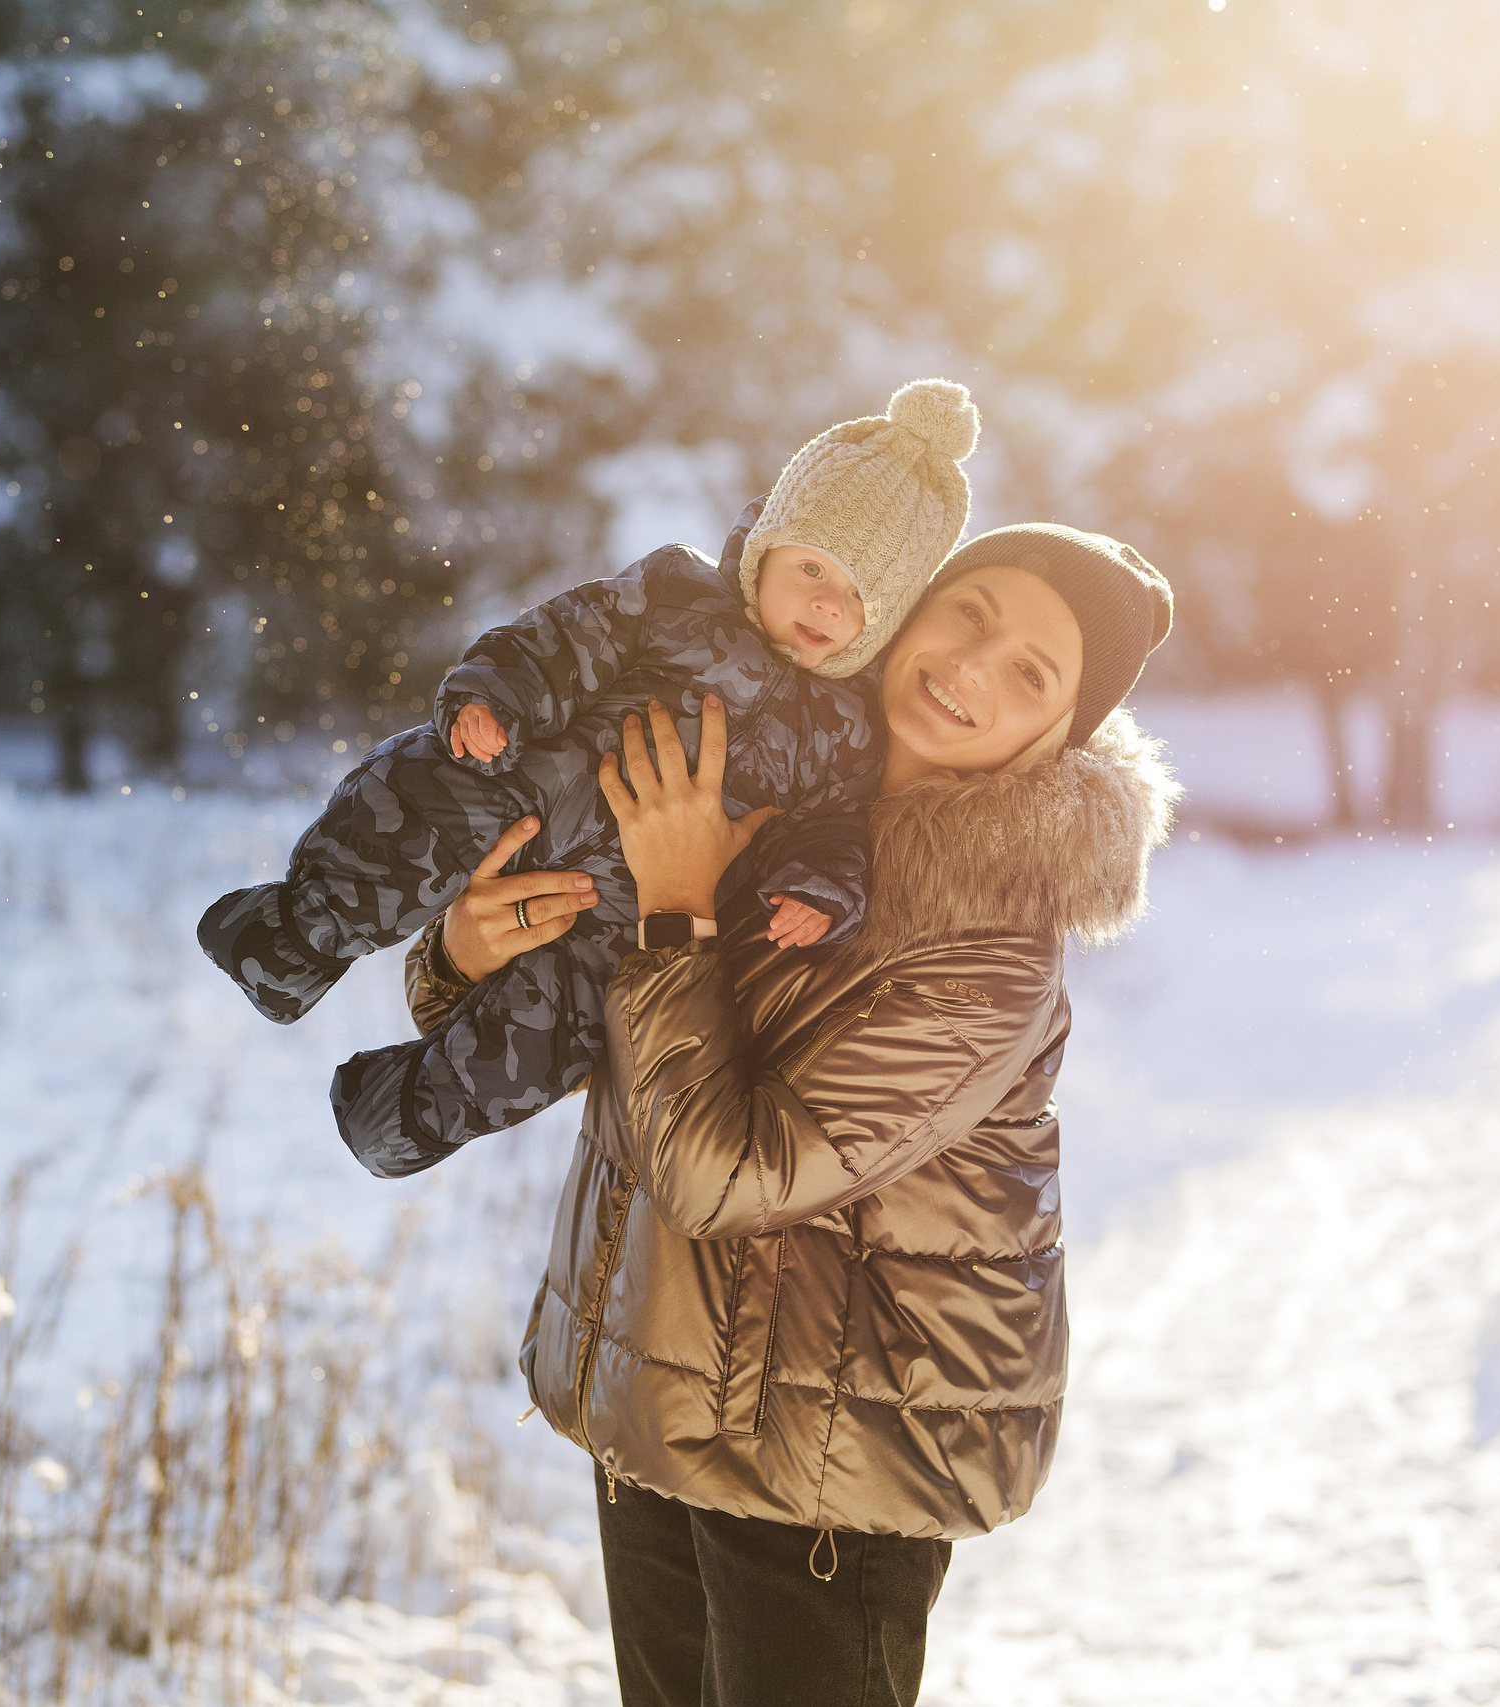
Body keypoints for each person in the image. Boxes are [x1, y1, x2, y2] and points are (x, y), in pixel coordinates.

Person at [403, 523, 1179, 1706]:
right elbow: (566, 1014)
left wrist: (673, 907)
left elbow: (727, 1178)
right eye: (969, 612)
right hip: (661, 1393)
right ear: (911, 602)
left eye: (1032, 672)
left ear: (1056, 734)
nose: (973, 667)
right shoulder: (763, 785)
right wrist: (458, 956)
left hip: (835, 1461)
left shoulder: (987, 949)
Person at [197, 381, 981, 1176]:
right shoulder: (677, 592)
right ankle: (298, 933)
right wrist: (497, 696)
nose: (826, 603)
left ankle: (406, 1113)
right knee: (419, 797)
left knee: (553, 1033)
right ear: (767, 542)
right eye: (812, 566)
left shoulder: (847, 734)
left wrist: (818, 889)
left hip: (620, 919)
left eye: (858, 597)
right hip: (533, 786)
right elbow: (569, 635)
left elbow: (834, 828)